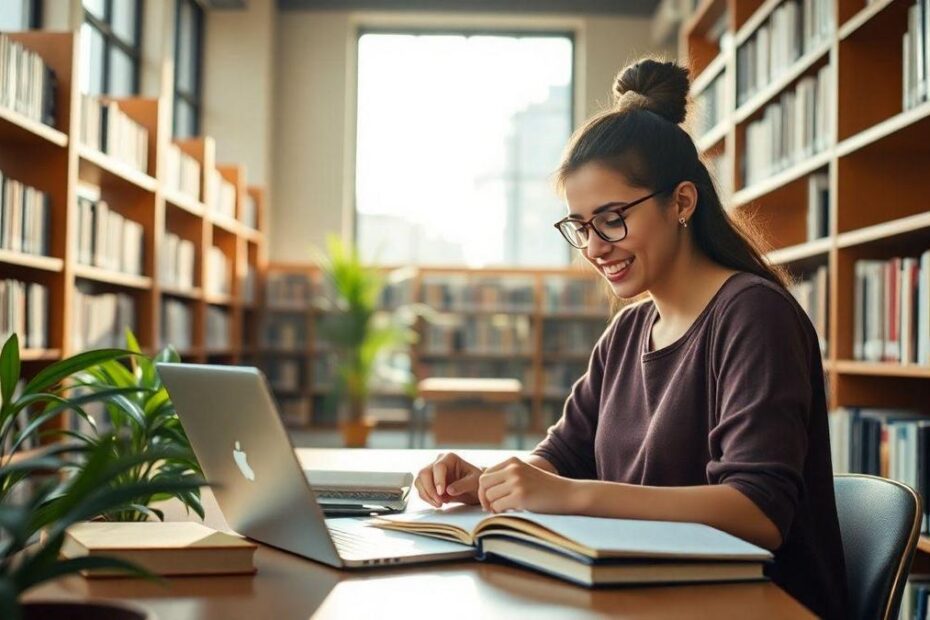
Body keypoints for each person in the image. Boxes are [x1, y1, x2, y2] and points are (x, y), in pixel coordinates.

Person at [413, 58, 847, 618]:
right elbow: (562, 456)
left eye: (612, 218)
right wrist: (489, 483)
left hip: (752, 607)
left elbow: (757, 512)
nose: (595, 247)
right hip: (646, 595)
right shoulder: (626, 332)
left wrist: (571, 496)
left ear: (682, 202)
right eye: (580, 226)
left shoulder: (753, 315)